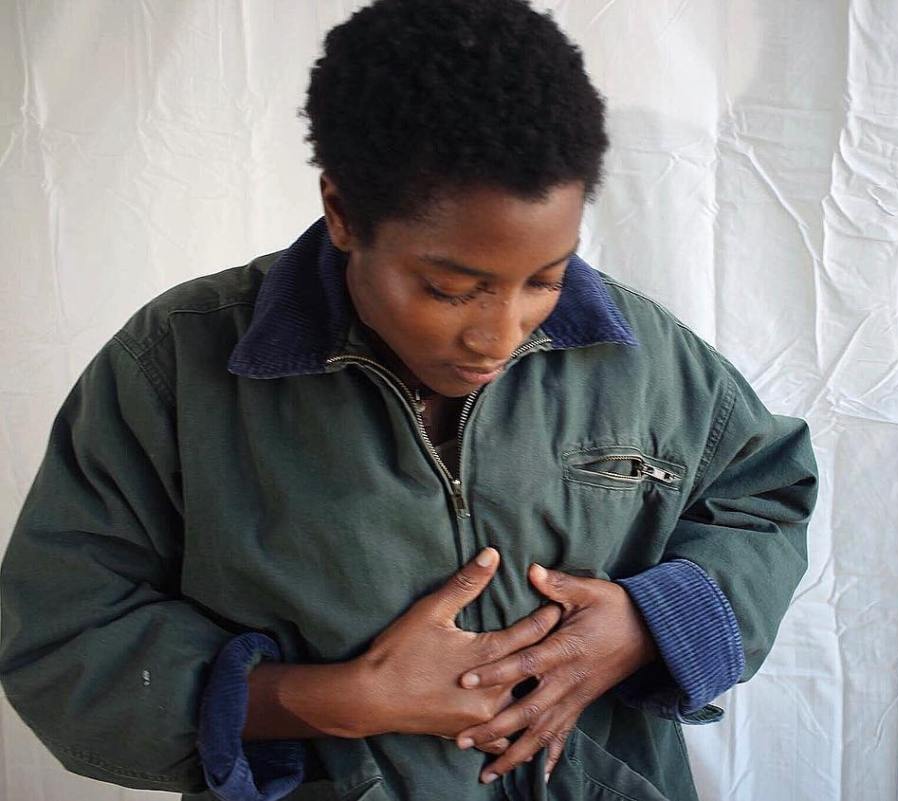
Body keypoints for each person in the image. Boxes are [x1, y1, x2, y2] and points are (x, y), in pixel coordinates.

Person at [0, 1, 818, 800]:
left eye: (545, 278)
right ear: (342, 213)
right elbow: (63, 640)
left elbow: (764, 496)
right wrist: (334, 699)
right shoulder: (176, 365)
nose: (500, 335)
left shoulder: (642, 352)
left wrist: (648, 624)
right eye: (449, 288)